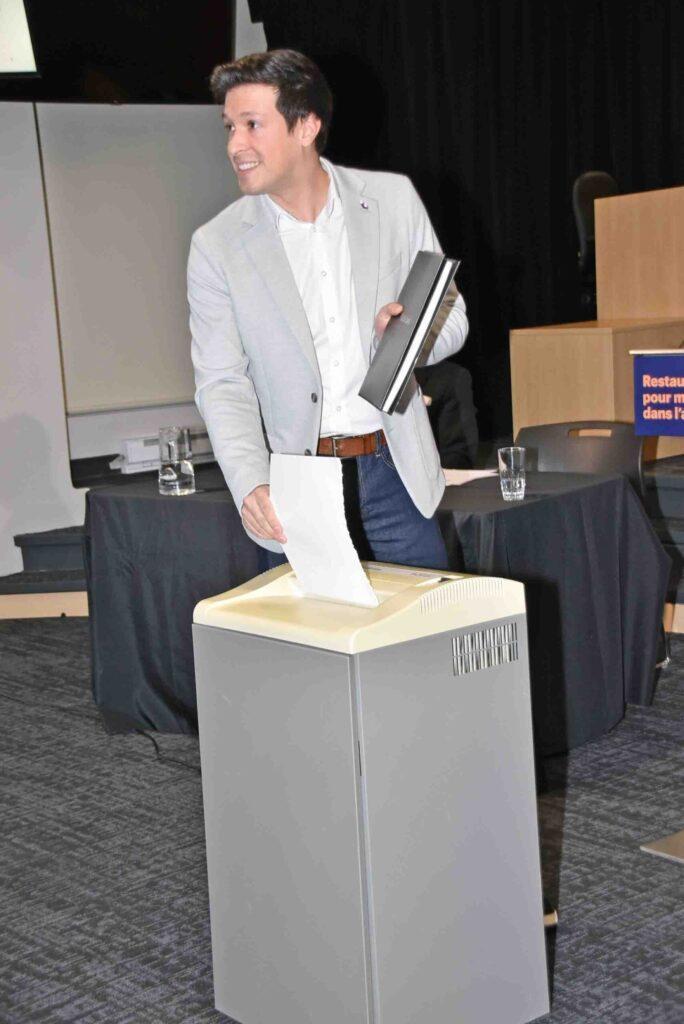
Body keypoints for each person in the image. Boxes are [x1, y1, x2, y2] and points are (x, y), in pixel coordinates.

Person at [188, 49, 468, 570]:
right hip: (299, 486)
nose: (234, 145)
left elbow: (452, 316)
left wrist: (405, 338)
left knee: (427, 620)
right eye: (229, 127)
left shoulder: (393, 200)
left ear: (306, 126)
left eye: (252, 125)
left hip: (397, 472)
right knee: (316, 626)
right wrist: (250, 481)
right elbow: (222, 382)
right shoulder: (217, 245)